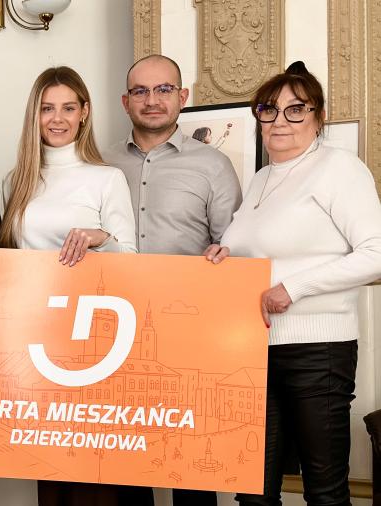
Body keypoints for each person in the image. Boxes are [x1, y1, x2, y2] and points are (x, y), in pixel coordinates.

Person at [207, 61, 381, 506]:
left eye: (295, 110)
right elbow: (260, 251)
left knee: (324, 491)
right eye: (268, 110)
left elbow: (376, 254)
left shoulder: (339, 169)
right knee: (254, 492)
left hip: (317, 352)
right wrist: (224, 255)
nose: (279, 120)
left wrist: (294, 288)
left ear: (317, 117)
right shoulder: (263, 177)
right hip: (254, 350)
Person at [104, 54, 242, 506]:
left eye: (164, 89)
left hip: (190, 336)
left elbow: (233, 250)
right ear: (126, 102)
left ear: (182, 98)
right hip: (117, 337)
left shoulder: (214, 166)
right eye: (140, 91)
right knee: (126, 467)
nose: (152, 100)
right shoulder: (101, 166)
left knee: (190, 469)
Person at [1, 66, 136, 505]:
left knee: (95, 469)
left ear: (85, 113)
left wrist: (103, 239)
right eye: (46, 108)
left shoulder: (106, 178)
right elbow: (13, 262)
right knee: (51, 467)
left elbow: (132, 261)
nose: (56, 118)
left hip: (94, 341)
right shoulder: (15, 181)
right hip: (37, 341)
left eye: (67, 107)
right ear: (34, 115)